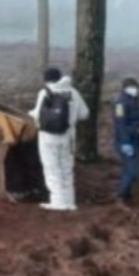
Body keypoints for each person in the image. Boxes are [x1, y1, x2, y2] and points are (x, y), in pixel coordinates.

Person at [29, 67, 90, 211]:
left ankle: (57, 201)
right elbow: (84, 114)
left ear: (46, 79)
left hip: (48, 137)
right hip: (68, 136)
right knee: (66, 168)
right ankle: (69, 201)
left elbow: (37, 115)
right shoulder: (73, 92)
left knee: (52, 168)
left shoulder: (44, 93)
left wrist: (30, 114)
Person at [113, 77, 139, 204]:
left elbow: (135, 118)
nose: (135, 90)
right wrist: (125, 142)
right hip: (126, 140)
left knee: (129, 168)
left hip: (136, 138)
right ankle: (121, 195)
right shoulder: (120, 103)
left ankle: (126, 194)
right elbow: (120, 124)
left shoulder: (133, 100)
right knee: (132, 170)